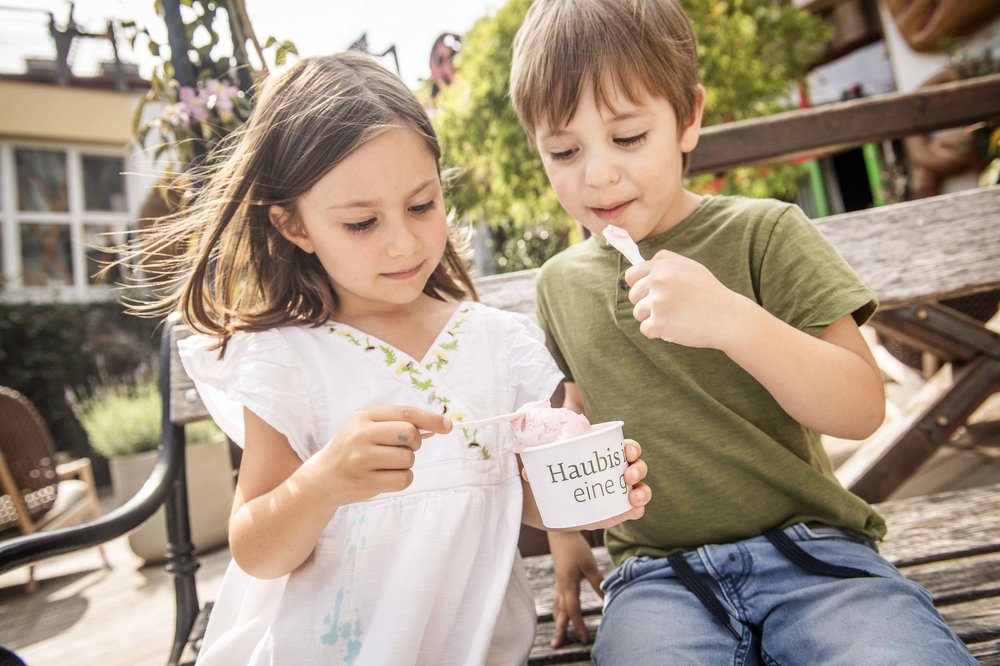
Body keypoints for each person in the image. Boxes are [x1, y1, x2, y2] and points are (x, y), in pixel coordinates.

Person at [128, 52, 650, 664]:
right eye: (361, 223)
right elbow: (257, 551)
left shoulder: (498, 345)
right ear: (294, 226)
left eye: (422, 206)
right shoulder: (290, 360)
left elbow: (527, 504)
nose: (402, 241)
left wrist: (584, 489)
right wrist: (321, 485)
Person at [508, 0, 978, 663]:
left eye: (628, 137)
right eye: (563, 149)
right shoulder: (558, 285)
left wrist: (732, 320)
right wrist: (566, 534)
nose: (598, 173)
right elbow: (579, 419)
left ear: (689, 118)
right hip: (658, 578)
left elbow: (860, 406)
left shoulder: (765, 234)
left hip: (813, 553)